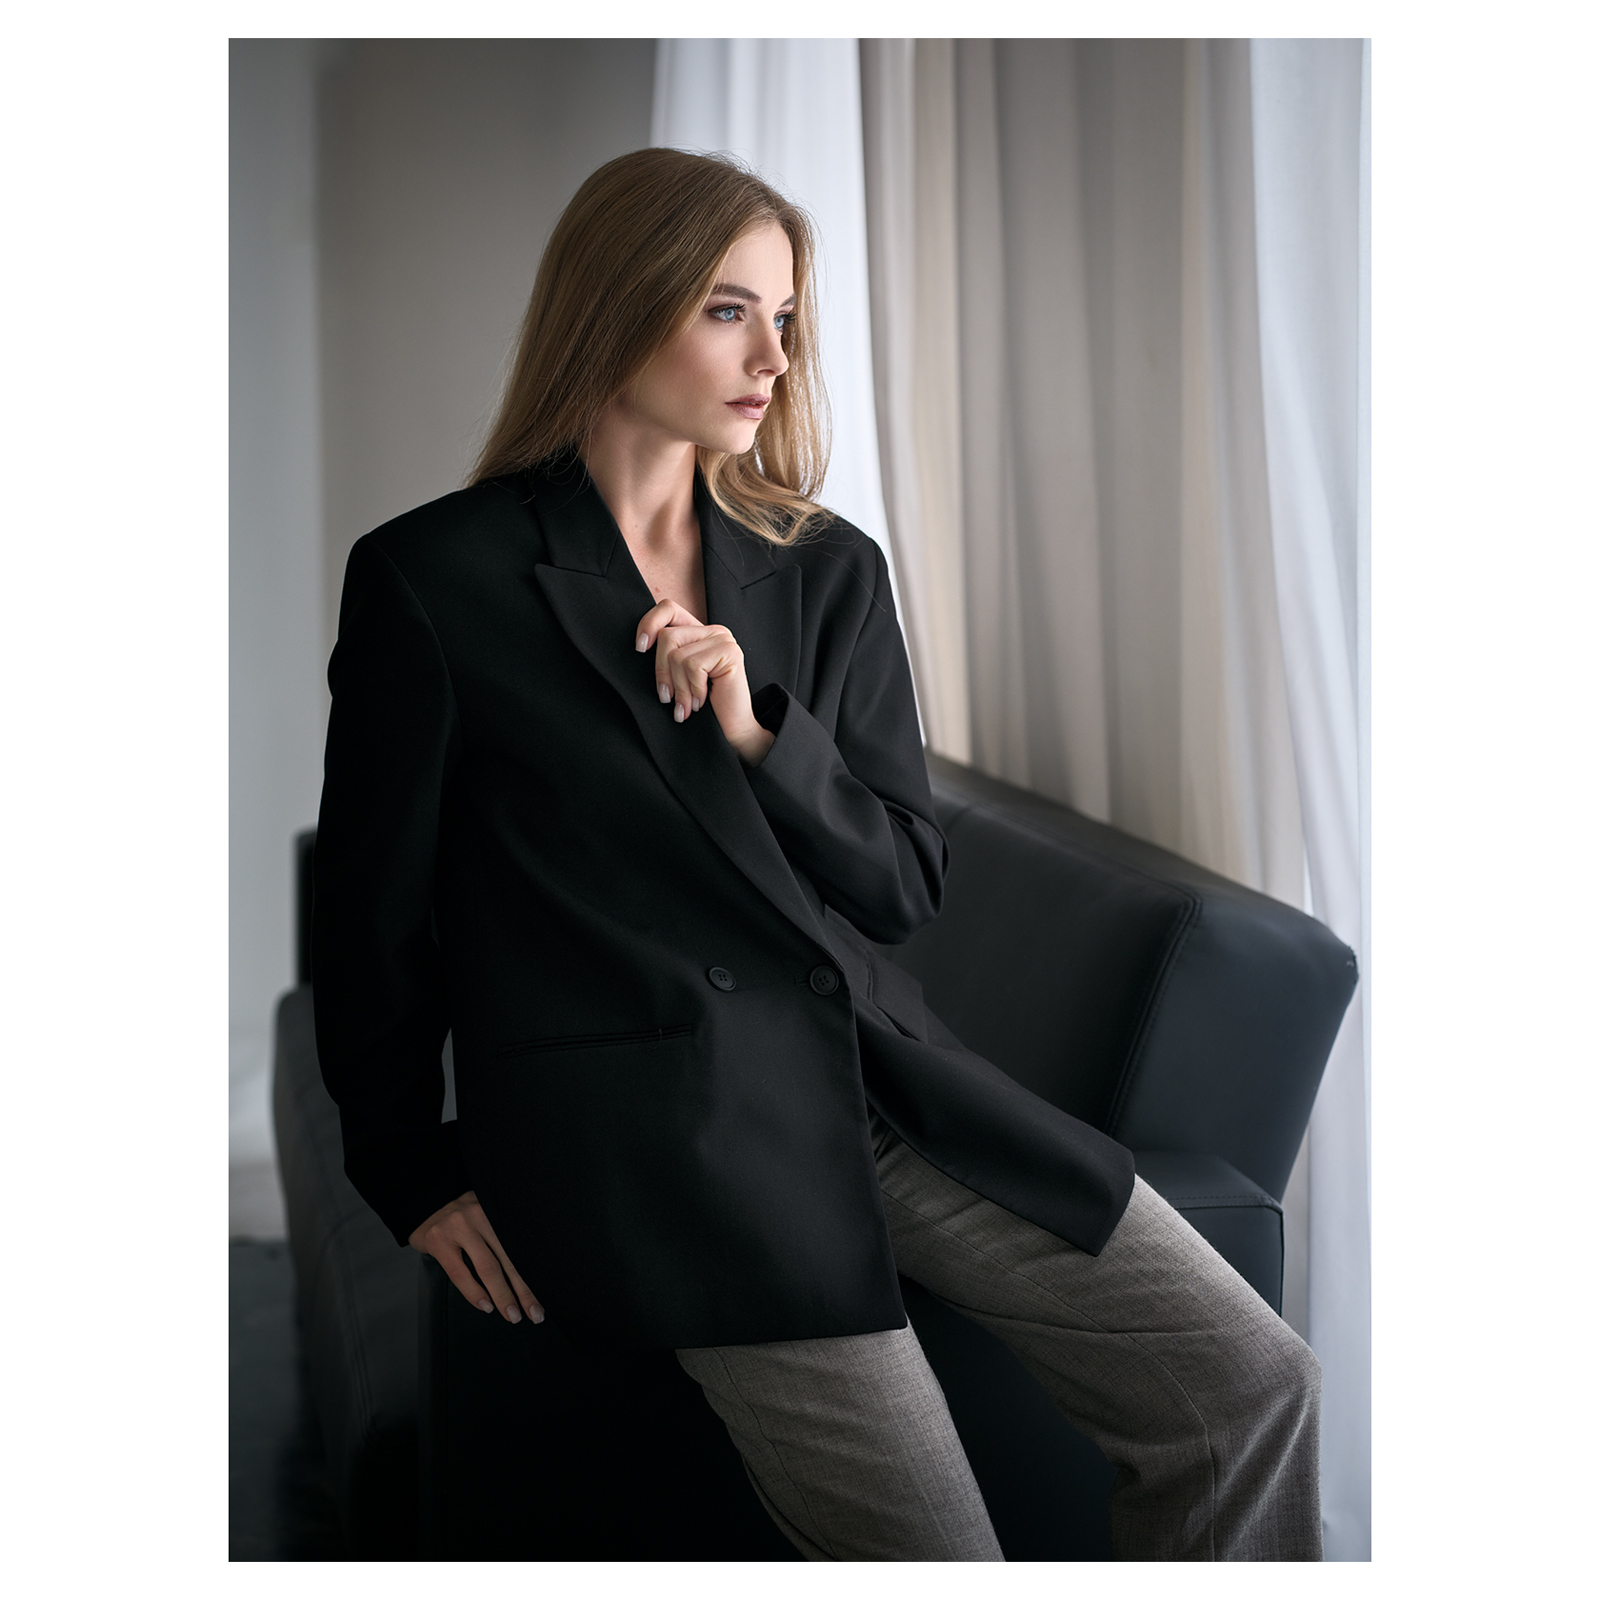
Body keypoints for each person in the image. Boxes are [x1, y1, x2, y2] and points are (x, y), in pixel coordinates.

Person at [312, 147, 1322, 1561]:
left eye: (785, 317)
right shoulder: (435, 580)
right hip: (672, 1141)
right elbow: (370, 914)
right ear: (618, 306)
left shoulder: (825, 567)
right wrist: (407, 1168)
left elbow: (902, 883)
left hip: (885, 1086)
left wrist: (759, 736)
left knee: (1252, 1385)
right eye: (730, 311)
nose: (773, 359)